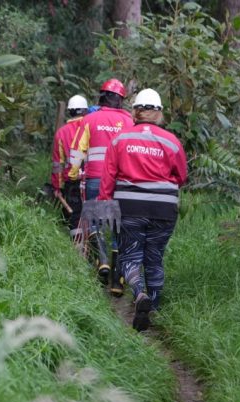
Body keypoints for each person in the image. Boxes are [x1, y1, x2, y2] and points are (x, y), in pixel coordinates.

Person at [97, 88, 188, 331]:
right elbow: (181, 176)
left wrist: (105, 204)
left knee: (130, 255)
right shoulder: (172, 142)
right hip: (164, 209)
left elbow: (108, 177)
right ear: (158, 113)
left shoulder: (120, 140)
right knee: (154, 257)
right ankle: (153, 308)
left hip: (129, 207)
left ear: (135, 112)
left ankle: (139, 295)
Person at [69, 79, 133, 292]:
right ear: (121, 100)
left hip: (95, 179)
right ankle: (117, 281)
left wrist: (72, 172)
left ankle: (102, 260)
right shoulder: (129, 121)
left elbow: (78, 149)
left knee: (95, 222)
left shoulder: (90, 119)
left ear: (101, 96)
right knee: (117, 227)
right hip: (121, 181)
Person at [51, 94, 89, 239]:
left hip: (71, 182)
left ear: (70, 111)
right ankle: (94, 246)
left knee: (74, 215)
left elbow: (57, 164)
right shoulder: (89, 126)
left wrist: (57, 186)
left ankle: (78, 248)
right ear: (85, 111)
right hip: (90, 179)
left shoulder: (61, 132)